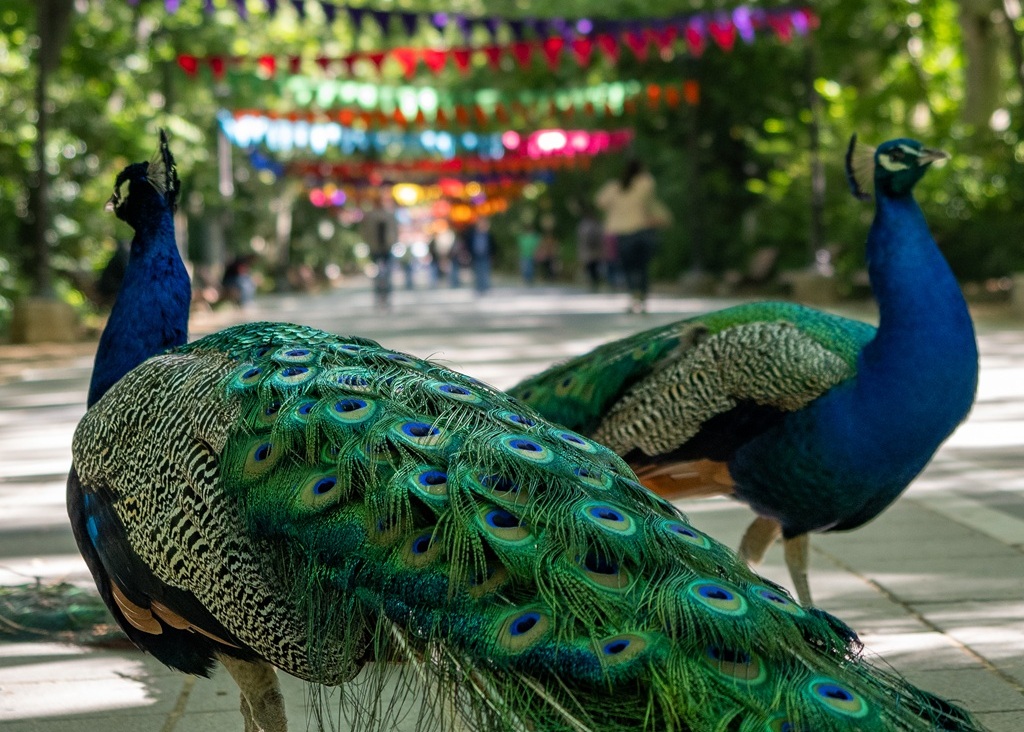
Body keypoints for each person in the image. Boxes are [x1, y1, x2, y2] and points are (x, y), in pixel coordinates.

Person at [595, 159, 665, 313]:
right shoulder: (645, 183)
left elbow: (600, 201)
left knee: (628, 267)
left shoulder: (615, 186)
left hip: (622, 232)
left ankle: (634, 296)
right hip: (642, 229)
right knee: (642, 267)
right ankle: (643, 298)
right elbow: (651, 198)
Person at [360, 198, 398, 310]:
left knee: (383, 275)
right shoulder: (386, 216)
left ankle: (383, 298)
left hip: (382, 248)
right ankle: (382, 298)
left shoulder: (374, 216)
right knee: (382, 275)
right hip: (378, 248)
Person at [464, 217, 496, 295]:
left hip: (486, 256)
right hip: (475, 256)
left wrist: (492, 256)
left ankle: (485, 288)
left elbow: (493, 246)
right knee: (477, 272)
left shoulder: (488, 235)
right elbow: (468, 245)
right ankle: (479, 288)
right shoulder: (472, 235)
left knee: (485, 272)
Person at [575, 203, 604, 292]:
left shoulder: (584, 225)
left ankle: (594, 281)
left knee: (592, 267)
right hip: (594, 250)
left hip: (590, 251)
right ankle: (594, 281)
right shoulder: (597, 224)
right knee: (593, 267)